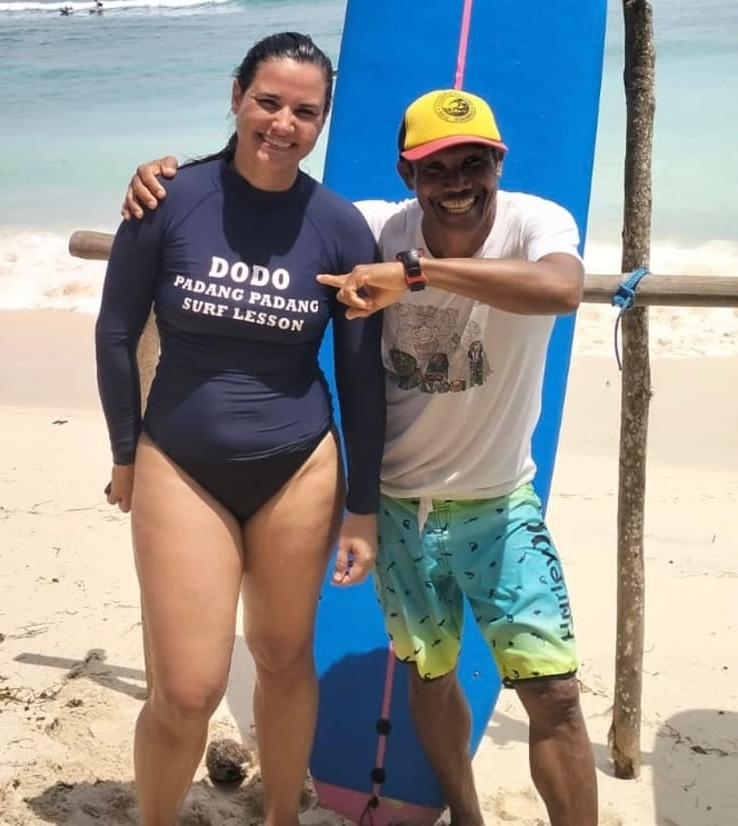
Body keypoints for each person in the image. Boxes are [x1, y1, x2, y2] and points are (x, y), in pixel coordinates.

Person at [119, 88, 598, 826]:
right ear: (408, 176)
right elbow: (267, 194)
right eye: (436, 167)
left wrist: (415, 275)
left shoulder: (538, 221)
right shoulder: (372, 226)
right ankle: (465, 816)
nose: (458, 182)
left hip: (502, 505)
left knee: (555, 693)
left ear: (499, 163)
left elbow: (562, 289)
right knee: (431, 679)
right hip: (401, 506)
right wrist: (165, 176)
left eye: (476, 162)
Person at [94, 31, 385, 826]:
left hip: (300, 464)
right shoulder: (168, 200)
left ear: (322, 121)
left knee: (287, 658)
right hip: (179, 460)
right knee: (187, 689)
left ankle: (281, 816)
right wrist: (125, 454)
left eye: (305, 110)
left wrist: (364, 502)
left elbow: (360, 375)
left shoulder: (339, 226)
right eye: (268, 101)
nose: (283, 123)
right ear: (235, 96)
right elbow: (116, 333)